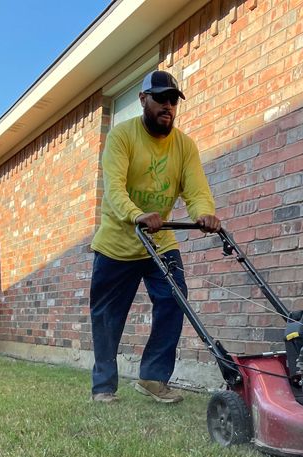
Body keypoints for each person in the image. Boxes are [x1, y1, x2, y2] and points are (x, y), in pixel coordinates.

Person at [89, 70, 221, 404]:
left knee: (174, 300)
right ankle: (103, 387)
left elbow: (197, 191)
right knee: (108, 317)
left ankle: (153, 376)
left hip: (160, 242)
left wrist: (203, 213)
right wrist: (136, 214)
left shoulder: (184, 146)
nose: (168, 106)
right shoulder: (122, 136)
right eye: (160, 98)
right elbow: (114, 188)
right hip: (117, 244)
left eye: (173, 100)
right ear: (143, 99)